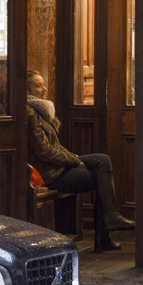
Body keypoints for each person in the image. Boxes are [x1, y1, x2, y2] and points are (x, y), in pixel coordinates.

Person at [26, 70, 135, 252]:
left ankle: (110, 219)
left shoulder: (41, 111)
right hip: (49, 173)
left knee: (102, 160)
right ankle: (106, 231)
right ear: (26, 89)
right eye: (38, 85)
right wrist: (74, 162)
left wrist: (73, 158)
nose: (44, 88)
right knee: (101, 179)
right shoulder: (30, 115)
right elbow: (44, 151)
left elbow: (55, 147)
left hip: (57, 166)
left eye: (43, 84)